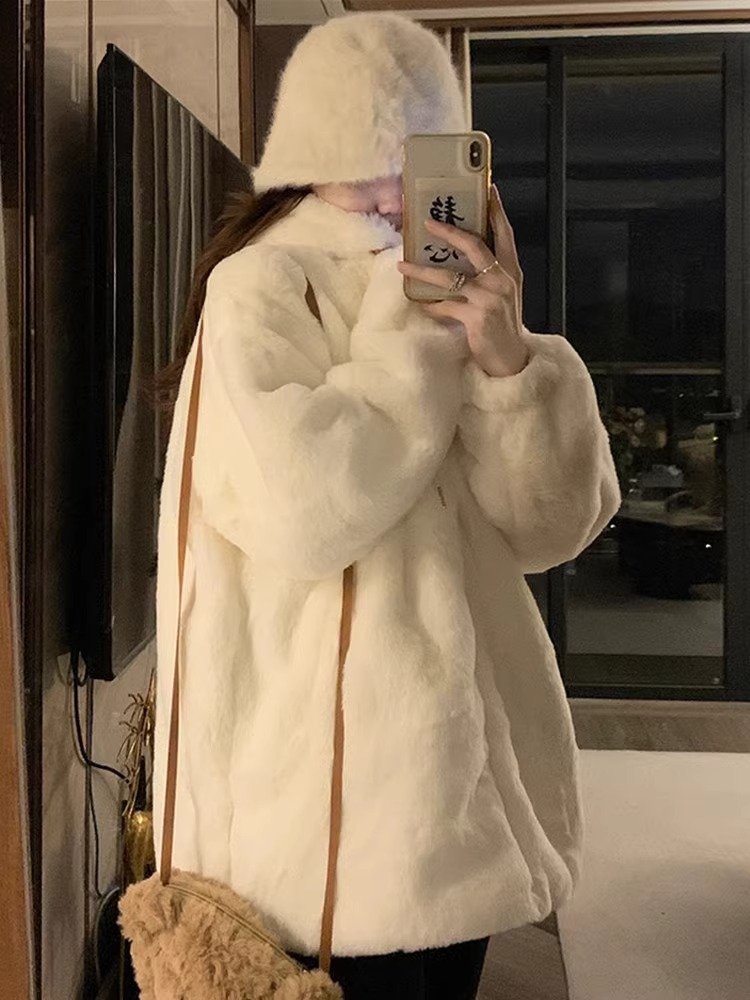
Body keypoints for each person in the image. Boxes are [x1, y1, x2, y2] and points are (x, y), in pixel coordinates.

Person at [151, 11, 621, 999]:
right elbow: (302, 508)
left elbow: (549, 528)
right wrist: (417, 338)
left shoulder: (451, 292)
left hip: (460, 791)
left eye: (417, 157)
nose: (397, 185)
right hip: (323, 816)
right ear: (313, 152)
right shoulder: (261, 285)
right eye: (367, 158)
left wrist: (508, 358)